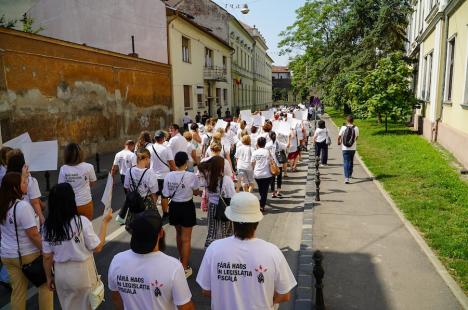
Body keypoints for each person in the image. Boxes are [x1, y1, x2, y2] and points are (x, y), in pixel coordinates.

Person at [196, 192, 297, 310]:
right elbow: (284, 295)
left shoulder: (214, 249)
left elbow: (206, 291)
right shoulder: (273, 252)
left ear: (231, 219)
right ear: (257, 221)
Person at [42, 183, 112, 310]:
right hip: (81, 272)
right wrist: (105, 222)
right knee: (87, 305)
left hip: (60, 273)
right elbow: (97, 247)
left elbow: (47, 257)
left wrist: (49, 277)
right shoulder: (81, 222)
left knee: (67, 306)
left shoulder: (47, 227)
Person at [108, 210, 194, 310]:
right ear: (161, 233)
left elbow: (116, 298)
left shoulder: (117, 261)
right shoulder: (173, 267)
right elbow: (186, 307)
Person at [0, 172, 53, 310]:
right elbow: (33, 235)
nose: (26, 184)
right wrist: (46, 250)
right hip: (27, 254)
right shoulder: (22, 207)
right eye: (23, 182)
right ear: (15, 188)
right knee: (45, 286)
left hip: (7, 255)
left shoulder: (3, 205)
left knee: (17, 292)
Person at [162, 152, 200, 278]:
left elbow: (165, 195)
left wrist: (165, 210)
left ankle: (181, 259)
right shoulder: (191, 176)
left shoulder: (168, 176)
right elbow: (195, 192)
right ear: (185, 162)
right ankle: (184, 267)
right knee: (186, 239)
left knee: (179, 235)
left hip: (174, 207)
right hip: (187, 207)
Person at [198, 156, 236, 248]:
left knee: (212, 230)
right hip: (224, 207)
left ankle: (210, 250)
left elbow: (200, 167)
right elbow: (232, 196)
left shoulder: (207, 176)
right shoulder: (226, 179)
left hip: (212, 206)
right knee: (225, 231)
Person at [58, 143, 97, 221]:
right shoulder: (89, 167)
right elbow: (93, 183)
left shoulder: (63, 169)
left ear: (66, 155)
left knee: (72, 230)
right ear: (81, 154)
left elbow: (61, 187)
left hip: (70, 204)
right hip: (85, 202)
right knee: (87, 228)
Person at [6, 150, 45, 224]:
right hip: (28, 219)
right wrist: (41, 217)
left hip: (10, 218)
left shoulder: (6, 179)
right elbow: (35, 202)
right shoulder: (30, 180)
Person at [124, 148, 159, 226]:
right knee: (148, 226)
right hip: (146, 203)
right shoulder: (149, 173)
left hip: (134, 203)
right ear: (146, 158)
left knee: (135, 226)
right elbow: (154, 193)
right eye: (149, 159)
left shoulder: (128, 171)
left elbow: (127, 188)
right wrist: (154, 206)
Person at [147, 130, 176, 221]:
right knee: (164, 196)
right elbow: (171, 162)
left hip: (152, 175)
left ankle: (152, 214)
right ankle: (165, 213)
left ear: (155, 138)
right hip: (164, 176)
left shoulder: (149, 148)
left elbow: (147, 163)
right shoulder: (166, 148)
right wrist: (175, 171)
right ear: (163, 138)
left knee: (154, 195)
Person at [251, 137, 273, 212]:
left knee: (261, 189)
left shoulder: (255, 152)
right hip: (266, 174)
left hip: (257, 174)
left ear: (257, 143)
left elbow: (253, 163)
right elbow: (271, 161)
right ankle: (261, 205)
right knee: (264, 191)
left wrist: (254, 170)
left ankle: (261, 203)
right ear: (265, 144)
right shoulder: (267, 152)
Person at [338, 115, 359, 184]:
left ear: (347, 120)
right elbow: (356, 138)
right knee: (351, 161)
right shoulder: (356, 128)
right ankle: (350, 174)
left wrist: (339, 142)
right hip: (353, 148)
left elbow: (339, 136)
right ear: (353, 120)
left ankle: (346, 178)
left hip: (345, 148)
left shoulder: (343, 127)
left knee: (346, 162)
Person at [267, 132, 287, 198]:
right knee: (279, 178)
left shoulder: (268, 145)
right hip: (279, 163)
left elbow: (266, 154)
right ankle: (278, 191)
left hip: (272, 164)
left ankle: (273, 192)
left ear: (269, 137)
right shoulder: (279, 143)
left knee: (272, 179)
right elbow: (286, 147)